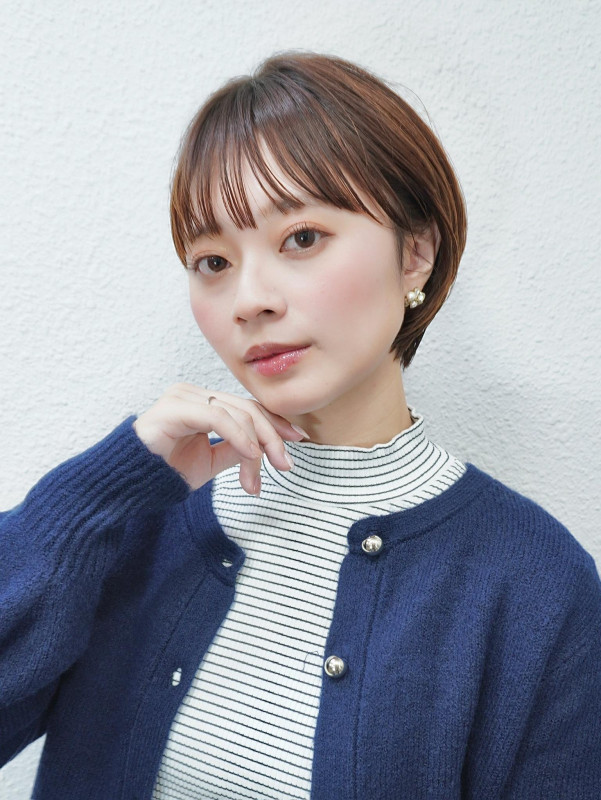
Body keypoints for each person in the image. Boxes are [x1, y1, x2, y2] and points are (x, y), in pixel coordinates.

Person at [1, 51, 600, 800]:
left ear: (415, 253)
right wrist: (100, 492)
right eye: (212, 260)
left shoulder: (536, 585)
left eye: (302, 238)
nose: (248, 299)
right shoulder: (135, 525)